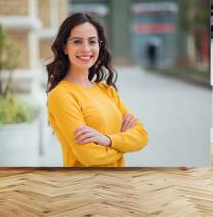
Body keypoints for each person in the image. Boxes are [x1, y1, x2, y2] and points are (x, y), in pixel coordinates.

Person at [46, 13, 148, 167]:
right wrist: (124, 142)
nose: (86, 49)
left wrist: (107, 140)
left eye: (92, 41)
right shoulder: (61, 95)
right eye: (77, 41)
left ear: (99, 46)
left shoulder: (107, 90)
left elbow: (142, 135)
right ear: (65, 47)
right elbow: (91, 157)